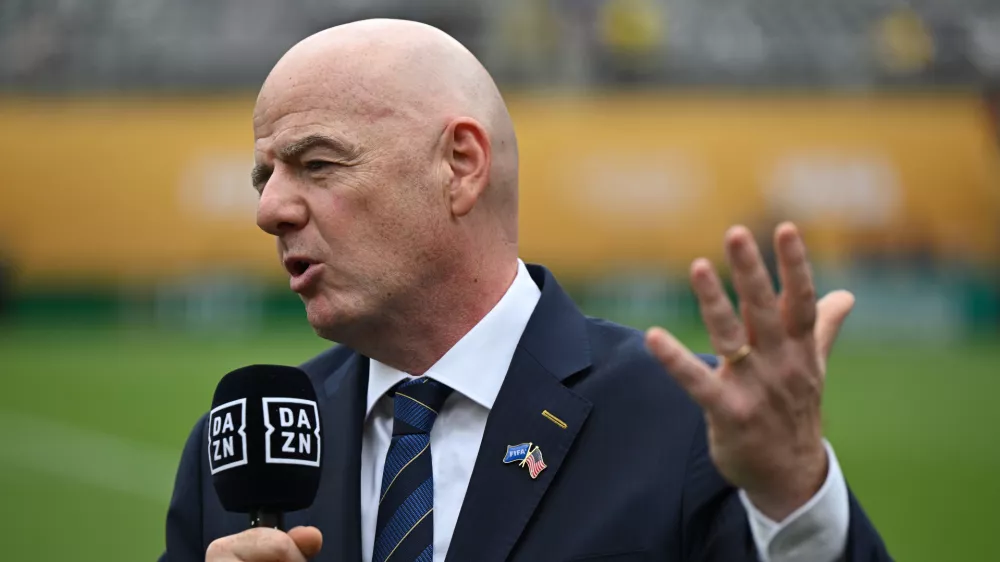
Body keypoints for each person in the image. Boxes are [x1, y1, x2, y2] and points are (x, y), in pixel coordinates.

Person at [160, 19, 891, 562]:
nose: (269, 210)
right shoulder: (238, 450)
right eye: (265, 177)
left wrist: (795, 494)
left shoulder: (695, 425)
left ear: (460, 165)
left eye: (316, 164)